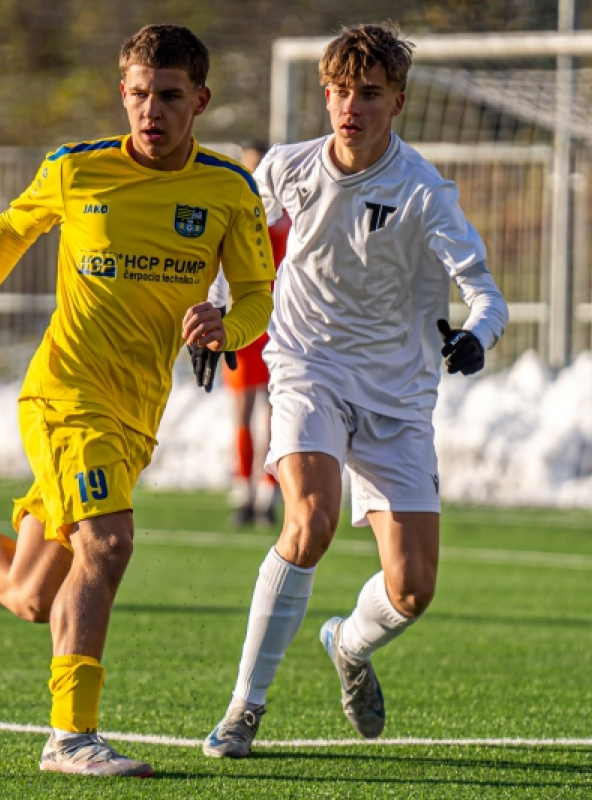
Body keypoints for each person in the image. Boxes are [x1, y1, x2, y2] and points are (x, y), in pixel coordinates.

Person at [0, 23, 274, 778]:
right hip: (63, 395)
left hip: (135, 413)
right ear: (123, 93)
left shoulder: (228, 191)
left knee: (28, 591)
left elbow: (256, 297)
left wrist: (225, 326)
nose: (151, 111)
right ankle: (71, 736)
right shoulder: (76, 169)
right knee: (107, 545)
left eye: (170, 96)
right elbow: (10, 232)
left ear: (201, 100)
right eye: (140, 95)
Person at [203, 22, 509, 758]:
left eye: (369, 93)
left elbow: (487, 296)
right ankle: (244, 708)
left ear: (397, 101)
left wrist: (476, 338)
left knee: (412, 589)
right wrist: (218, 310)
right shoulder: (285, 168)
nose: (351, 107)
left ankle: (347, 644)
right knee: (309, 521)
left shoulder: (426, 194)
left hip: (398, 398)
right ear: (326, 93)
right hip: (307, 368)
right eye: (341, 91)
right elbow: (235, 242)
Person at [223, 143, 290, 527]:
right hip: (243, 322)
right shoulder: (235, 212)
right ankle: (242, 494)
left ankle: (268, 496)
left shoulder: (284, 216)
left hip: (278, 325)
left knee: (274, 415)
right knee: (243, 413)